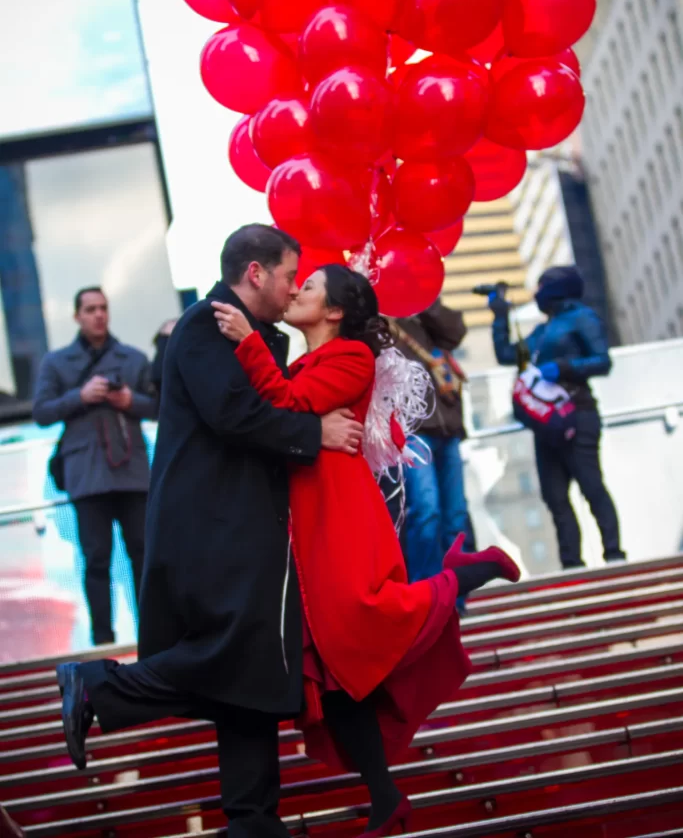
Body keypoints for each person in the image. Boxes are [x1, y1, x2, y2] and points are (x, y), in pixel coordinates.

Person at [55, 225, 367, 838]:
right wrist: (315, 434)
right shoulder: (204, 324)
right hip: (212, 524)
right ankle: (98, 686)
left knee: (251, 665)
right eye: (288, 276)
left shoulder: (260, 336)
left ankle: (253, 819)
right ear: (256, 273)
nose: (292, 289)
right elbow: (235, 416)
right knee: (234, 650)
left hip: (244, 521)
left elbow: (268, 403)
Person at [212, 264, 520, 836]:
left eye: (308, 286)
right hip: (308, 518)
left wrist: (250, 341)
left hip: (340, 513)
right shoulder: (302, 360)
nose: (296, 290)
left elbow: (287, 403)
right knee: (334, 668)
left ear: (334, 311)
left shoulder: (352, 357)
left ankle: (459, 578)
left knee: (361, 621)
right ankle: (385, 797)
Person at [33, 288, 158, 646]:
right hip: (87, 476)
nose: (98, 315)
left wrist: (130, 400)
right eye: (90, 309)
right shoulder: (56, 363)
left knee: (144, 554)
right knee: (96, 558)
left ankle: (153, 635)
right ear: (77, 316)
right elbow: (41, 412)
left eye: (103, 308)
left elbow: (161, 406)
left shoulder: (132, 358)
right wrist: (81, 396)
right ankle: (103, 643)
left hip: (133, 472)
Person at [489, 265, 625, 569]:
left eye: (540, 287)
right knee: (555, 497)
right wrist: (500, 316)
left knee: (591, 485)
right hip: (547, 423)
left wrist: (564, 367)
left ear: (556, 288)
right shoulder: (542, 331)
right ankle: (572, 563)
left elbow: (603, 361)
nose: (535, 294)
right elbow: (507, 355)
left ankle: (614, 555)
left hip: (578, 414)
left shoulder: (582, 318)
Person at [390, 301, 476, 582]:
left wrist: (426, 303)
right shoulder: (379, 323)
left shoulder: (424, 316)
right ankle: (427, 589)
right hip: (413, 431)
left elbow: (455, 332)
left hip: (448, 428)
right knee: (427, 511)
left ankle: (458, 591)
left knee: (456, 516)